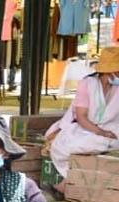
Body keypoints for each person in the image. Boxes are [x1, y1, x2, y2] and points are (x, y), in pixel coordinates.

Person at [46, 47, 119, 179]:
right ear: (110, 72)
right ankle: (71, 179)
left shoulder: (116, 87)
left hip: (110, 126)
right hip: (84, 127)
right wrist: (101, 132)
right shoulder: (88, 84)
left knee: (110, 139)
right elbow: (81, 117)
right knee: (67, 146)